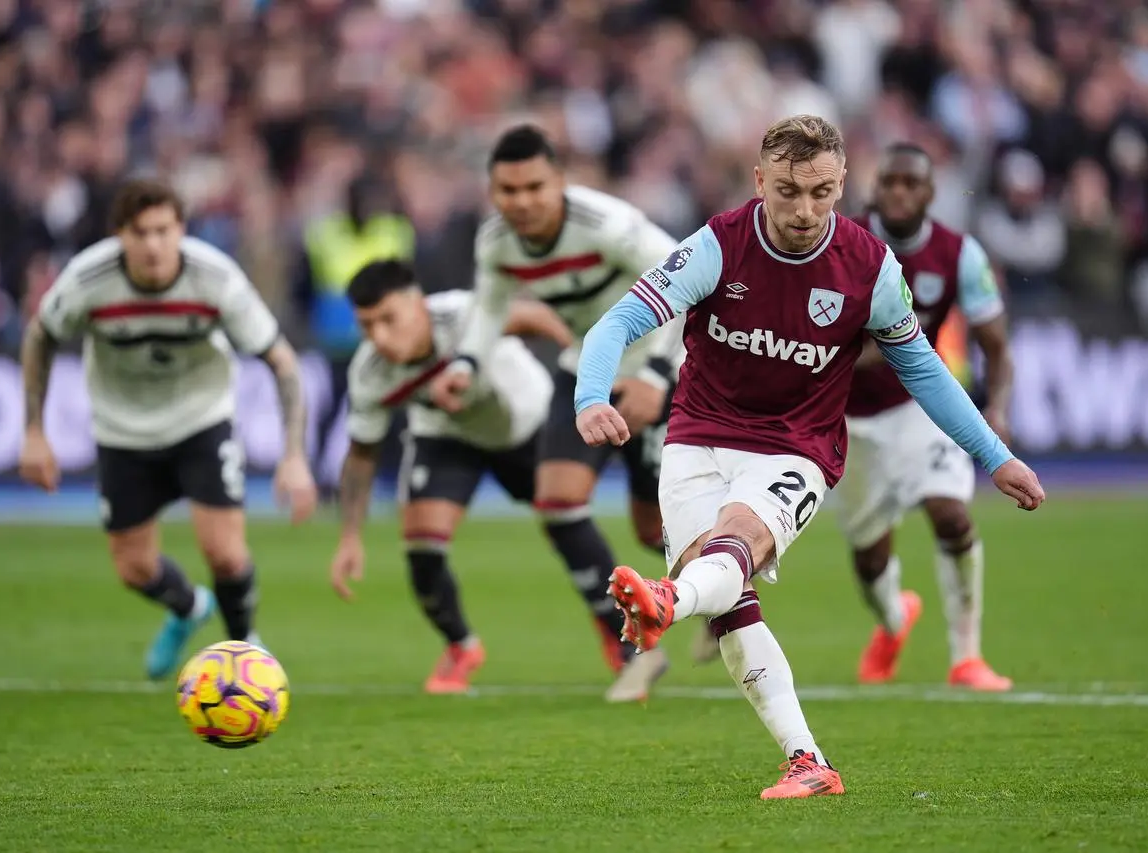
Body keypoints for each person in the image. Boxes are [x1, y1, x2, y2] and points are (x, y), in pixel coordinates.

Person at [573, 115, 1044, 799]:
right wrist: (591, 396)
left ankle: (666, 603)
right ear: (761, 180)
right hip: (697, 437)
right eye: (789, 190)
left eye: (822, 191)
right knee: (730, 602)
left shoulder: (871, 266)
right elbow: (618, 321)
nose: (805, 209)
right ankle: (807, 761)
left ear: (843, 184)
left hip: (797, 446)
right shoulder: (717, 245)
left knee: (728, 551)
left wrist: (995, 455)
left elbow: (925, 370)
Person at [18, 178, 318, 680]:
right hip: (122, 432)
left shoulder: (215, 278)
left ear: (181, 229)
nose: (154, 244)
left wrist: (293, 455)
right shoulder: (88, 280)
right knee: (133, 568)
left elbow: (283, 362)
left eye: (163, 230)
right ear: (120, 236)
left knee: (224, 551)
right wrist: (33, 431)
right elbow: (39, 337)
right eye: (141, 233)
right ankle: (187, 608)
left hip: (202, 420)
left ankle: (244, 649)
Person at [327, 260, 659, 700]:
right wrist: (350, 536)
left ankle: (618, 637)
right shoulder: (369, 374)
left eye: (389, 319)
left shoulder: (465, 316)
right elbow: (361, 454)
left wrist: (586, 377)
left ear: (418, 305)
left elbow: (537, 315)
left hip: (526, 425)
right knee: (422, 540)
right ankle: (461, 646)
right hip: (448, 436)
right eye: (367, 326)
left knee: (564, 519)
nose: (380, 338)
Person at [429, 125, 685, 682]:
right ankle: (633, 649)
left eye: (533, 188)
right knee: (557, 501)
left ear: (560, 183)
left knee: (654, 529)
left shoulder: (607, 224)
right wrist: (465, 366)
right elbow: (489, 311)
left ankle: (723, 596)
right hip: (589, 369)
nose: (520, 202)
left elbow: (688, 283)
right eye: (507, 191)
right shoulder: (496, 240)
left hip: (661, 365)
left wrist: (661, 374)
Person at [828, 143, 1015, 691]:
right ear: (874, 187)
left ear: (930, 194)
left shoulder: (961, 255)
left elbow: (997, 347)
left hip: (918, 407)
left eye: (912, 184)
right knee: (869, 556)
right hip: (844, 421)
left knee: (951, 515)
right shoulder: (839, 242)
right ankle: (894, 619)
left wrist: (996, 407)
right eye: (891, 182)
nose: (900, 192)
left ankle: (967, 657)